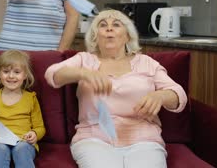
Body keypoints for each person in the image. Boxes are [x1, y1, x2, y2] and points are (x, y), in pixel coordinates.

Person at [44, 9, 188, 168]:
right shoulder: (85, 60)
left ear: (127, 36)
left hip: (144, 139)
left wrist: (160, 96)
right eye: (103, 25)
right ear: (95, 37)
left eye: (116, 24)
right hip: (94, 139)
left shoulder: (146, 63)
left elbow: (178, 95)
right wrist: (82, 73)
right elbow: (53, 74)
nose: (109, 28)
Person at [0, 50, 46, 168]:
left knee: (22, 149)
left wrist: (34, 133)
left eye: (17, 72)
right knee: (0, 149)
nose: (11, 76)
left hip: (23, 141)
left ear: (25, 75)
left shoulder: (31, 98)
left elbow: (40, 127)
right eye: (6, 71)